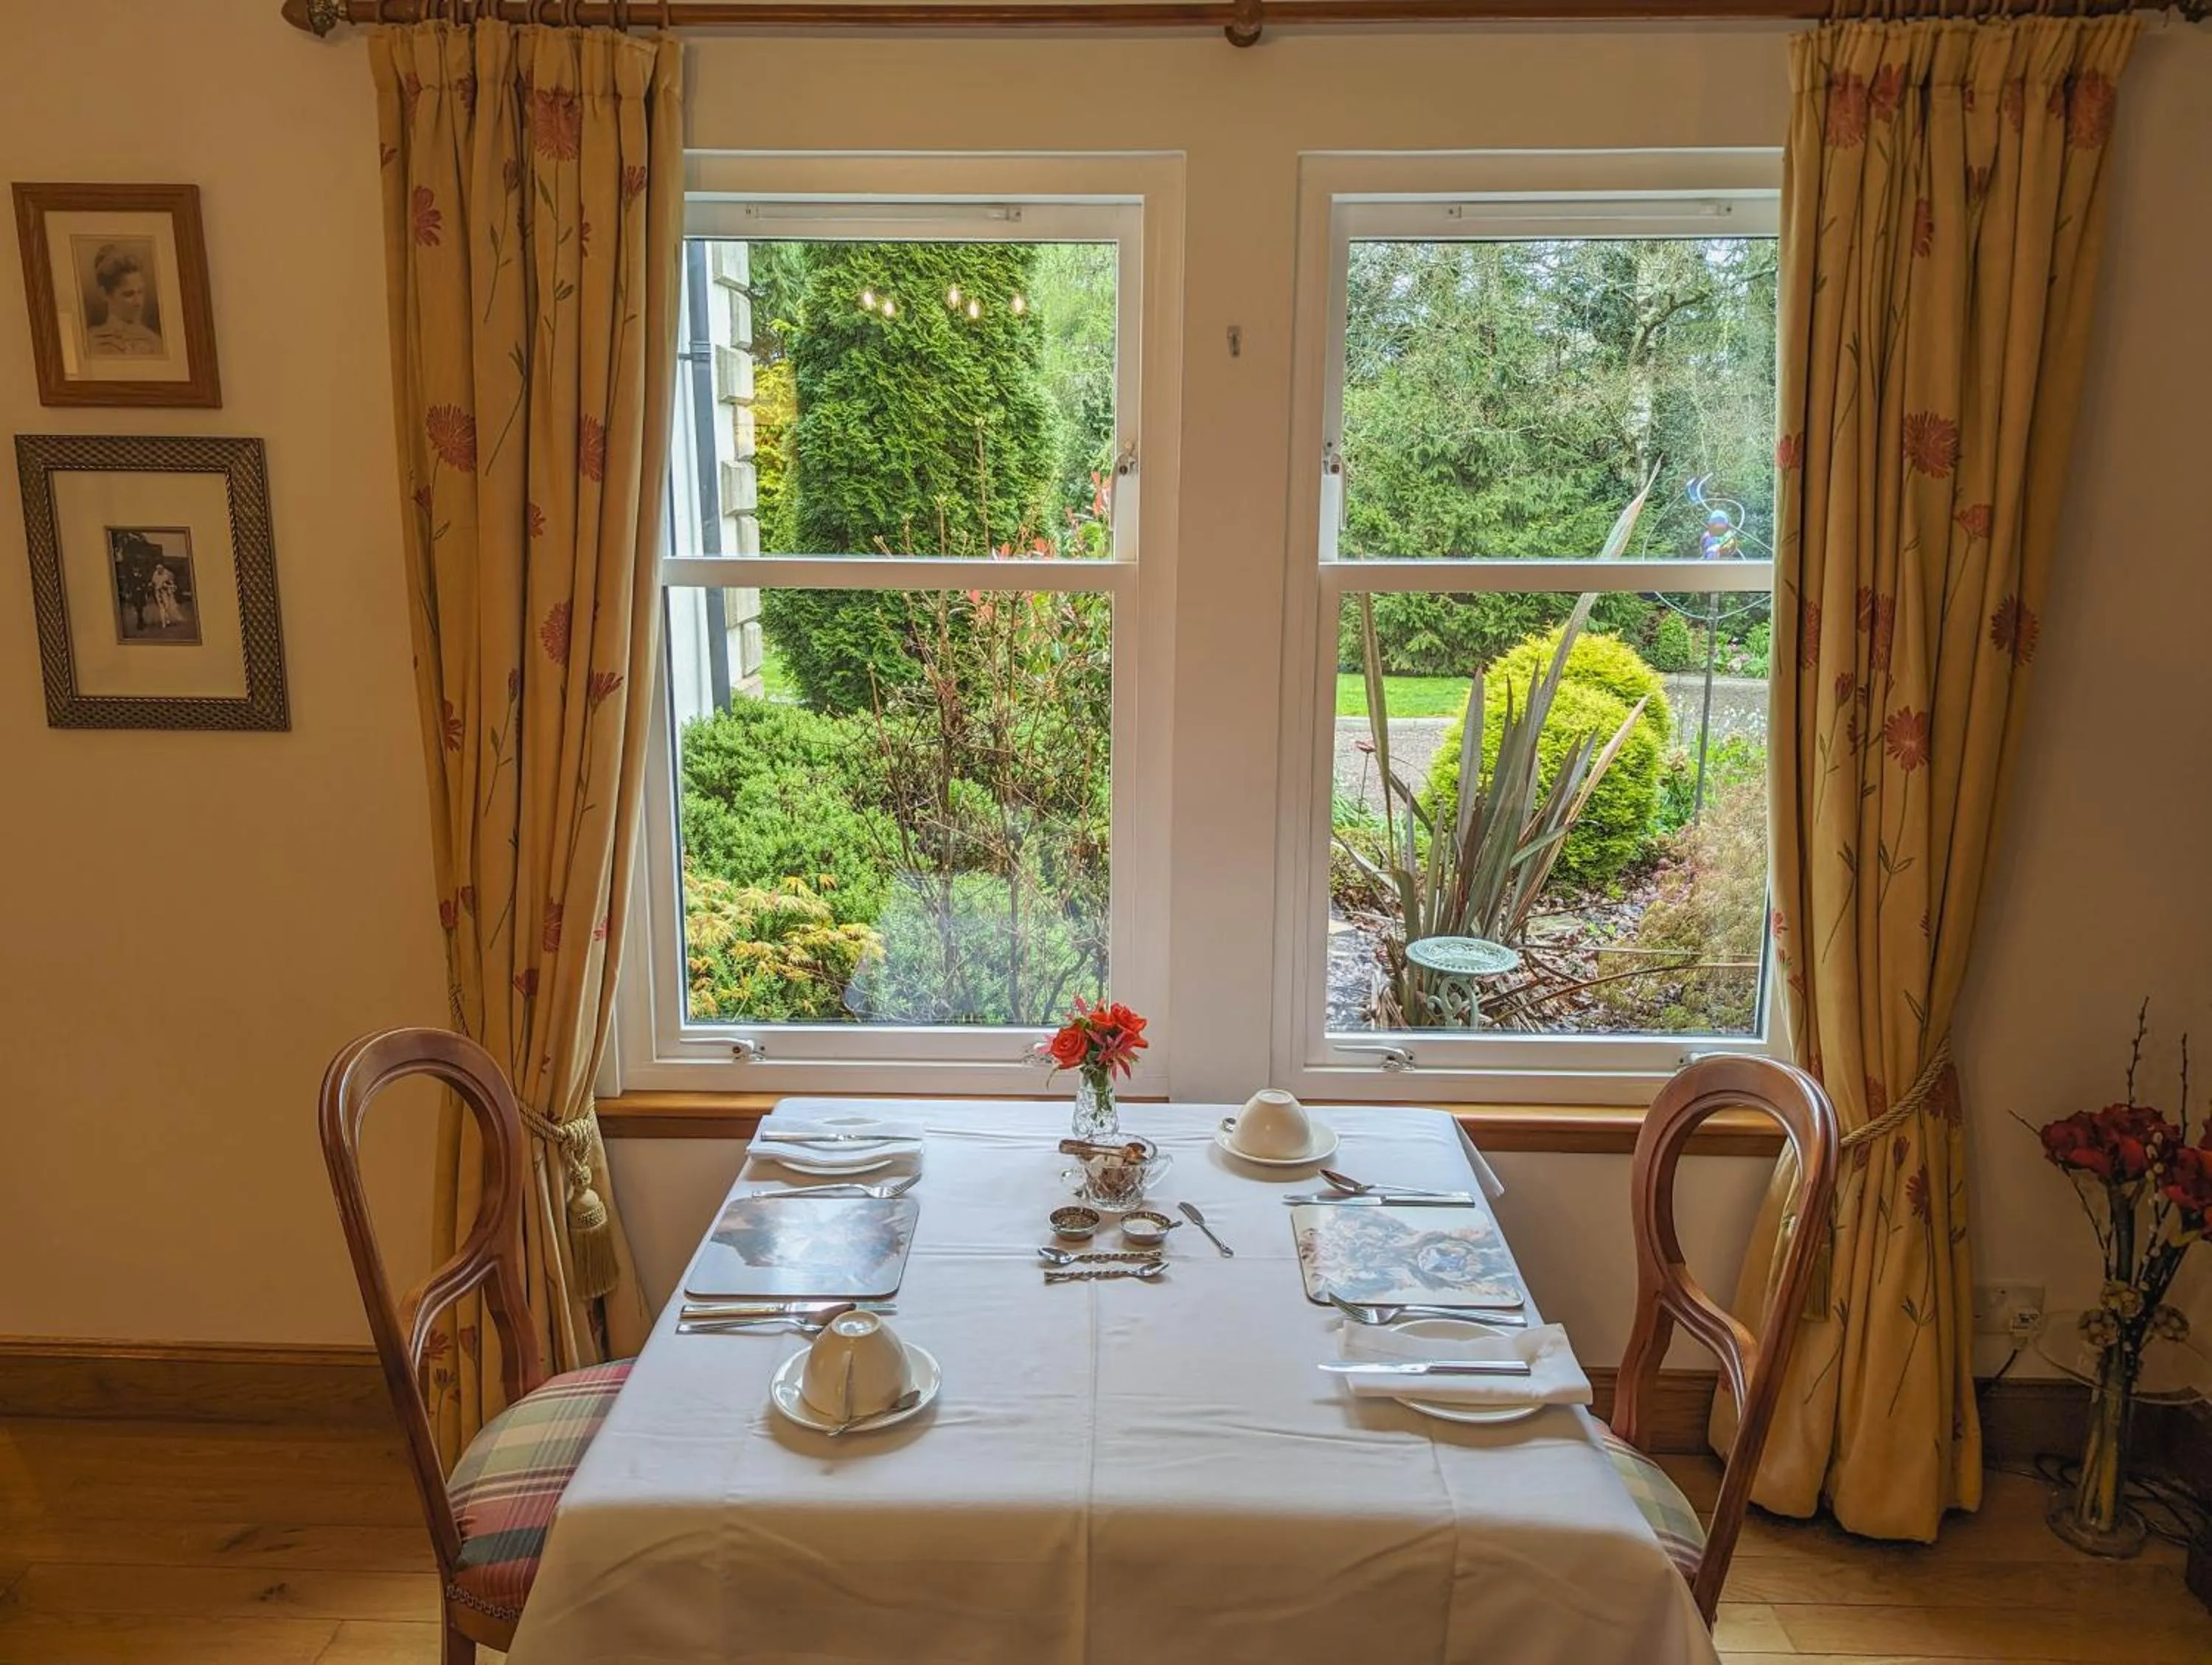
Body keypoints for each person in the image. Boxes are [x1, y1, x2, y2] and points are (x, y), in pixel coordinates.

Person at [84, 244, 163, 358]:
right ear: (104, 294)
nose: (138, 303)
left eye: (140, 292)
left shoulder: (156, 342)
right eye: (128, 294)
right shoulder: (90, 342)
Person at [150, 560, 184, 629]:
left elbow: (171, 583)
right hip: (158, 593)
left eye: (160, 569)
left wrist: (169, 586)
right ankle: (164, 622)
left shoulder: (166, 574)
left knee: (167, 607)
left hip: (166, 593)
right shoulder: (155, 575)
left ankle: (167, 619)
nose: (159, 570)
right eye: (158, 569)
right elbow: (154, 583)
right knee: (162, 608)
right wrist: (156, 586)